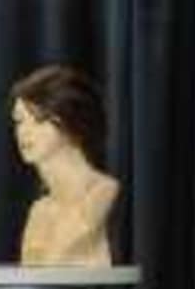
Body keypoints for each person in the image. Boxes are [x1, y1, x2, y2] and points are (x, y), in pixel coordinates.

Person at [9, 63, 120, 267]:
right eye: (19, 121)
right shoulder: (40, 211)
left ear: (71, 122)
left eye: (39, 120)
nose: (23, 132)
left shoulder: (102, 193)